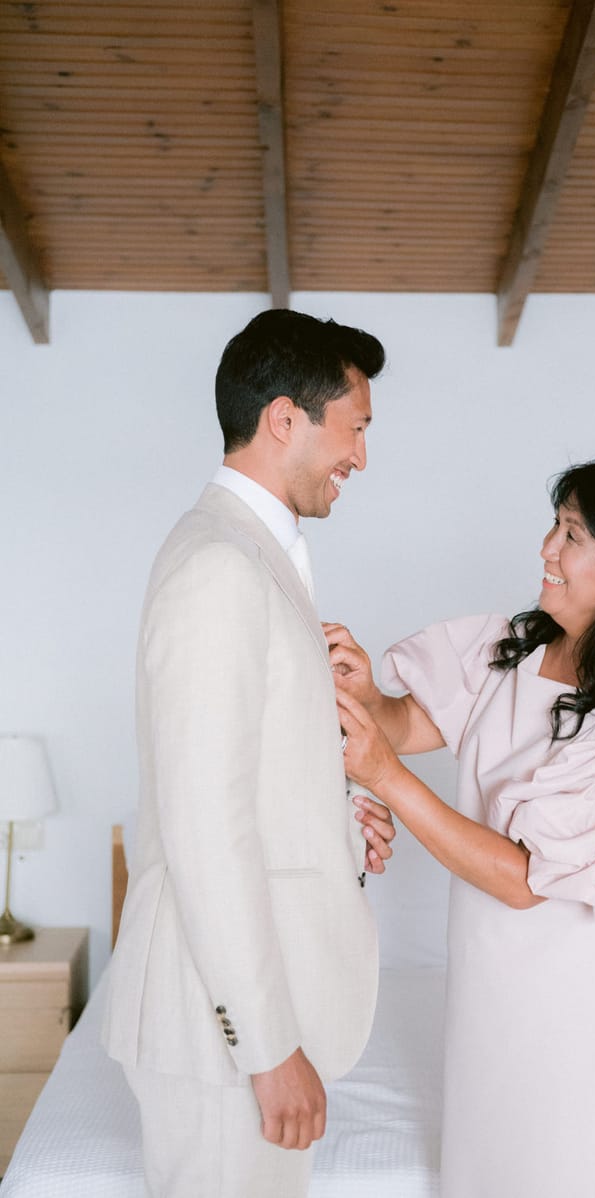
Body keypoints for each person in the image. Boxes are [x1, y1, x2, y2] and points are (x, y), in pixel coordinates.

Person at [327, 456, 595, 1198]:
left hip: (578, 998)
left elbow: (523, 878)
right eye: (555, 525)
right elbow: (410, 724)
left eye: (572, 534)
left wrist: (386, 778)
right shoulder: (519, 649)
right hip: (492, 975)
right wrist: (367, 697)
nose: (546, 548)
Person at [103, 308, 395, 1198]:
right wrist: (267, 1048)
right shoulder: (220, 567)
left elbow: (250, 777)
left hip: (260, 1001)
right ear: (283, 418)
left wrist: (341, 825)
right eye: (355, 428)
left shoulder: (252, 552)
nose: (362, 457)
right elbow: (204, 824)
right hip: (217, 1034)